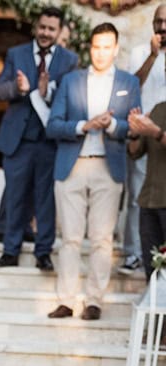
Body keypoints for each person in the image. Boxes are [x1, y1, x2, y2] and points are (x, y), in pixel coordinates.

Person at [46, 22, 141, 320]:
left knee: (102, 239)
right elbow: (53, 125)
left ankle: (94, 301)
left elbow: (133, 127)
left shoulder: (129, 82)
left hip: (108, 168)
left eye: (106, 47)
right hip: (72, 165)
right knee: (70, 238)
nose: (100, 53)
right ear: (90, 48)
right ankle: (66, 300)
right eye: (96, 47)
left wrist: (111, 124)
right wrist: (84, 125)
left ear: (116, 49)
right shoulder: (71, 80)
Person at [0, 6, 77, 270]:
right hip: (18, 141)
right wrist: (17, 88)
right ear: (35, 27)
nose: (45, 33)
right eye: (42, 27)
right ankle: (10, 250)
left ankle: (43, 252)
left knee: (45, 200)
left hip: (50, 142)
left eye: (51, 29)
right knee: (15, 197)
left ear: (59, 31)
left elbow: (72, 99)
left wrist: (48, 92)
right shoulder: (16, 54)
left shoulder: (69, 60)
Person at [119, 3, 166, 276]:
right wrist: (152, 56)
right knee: (138, 196)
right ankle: (134, 253)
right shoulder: (140, 52)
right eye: (159, 21)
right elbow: (130, 86)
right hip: (142, 131)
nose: (163, 27)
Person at [128, 103, 166, 280]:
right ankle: (153, 298)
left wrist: (156, 133)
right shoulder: (158, 109)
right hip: (149, 200)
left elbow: (156, 134)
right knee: (152, 271)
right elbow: (135, 152)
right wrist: (135, 133)